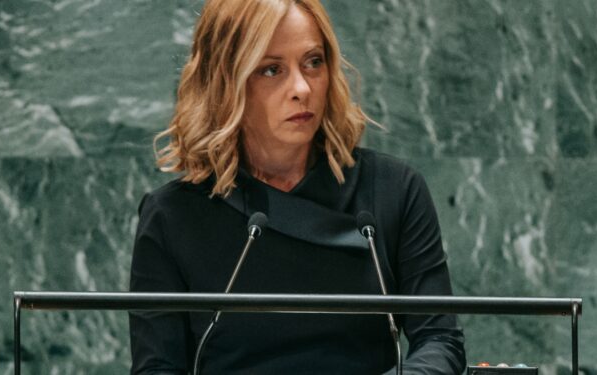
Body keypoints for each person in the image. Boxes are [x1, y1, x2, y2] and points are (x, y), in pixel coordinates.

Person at [129, 0, 466, 373]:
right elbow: (157, 368)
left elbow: (439, 340)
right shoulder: (173, 216)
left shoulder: (394, 189)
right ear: (225, 82)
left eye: (313, 62)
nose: (302, 88)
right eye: (272, 70)